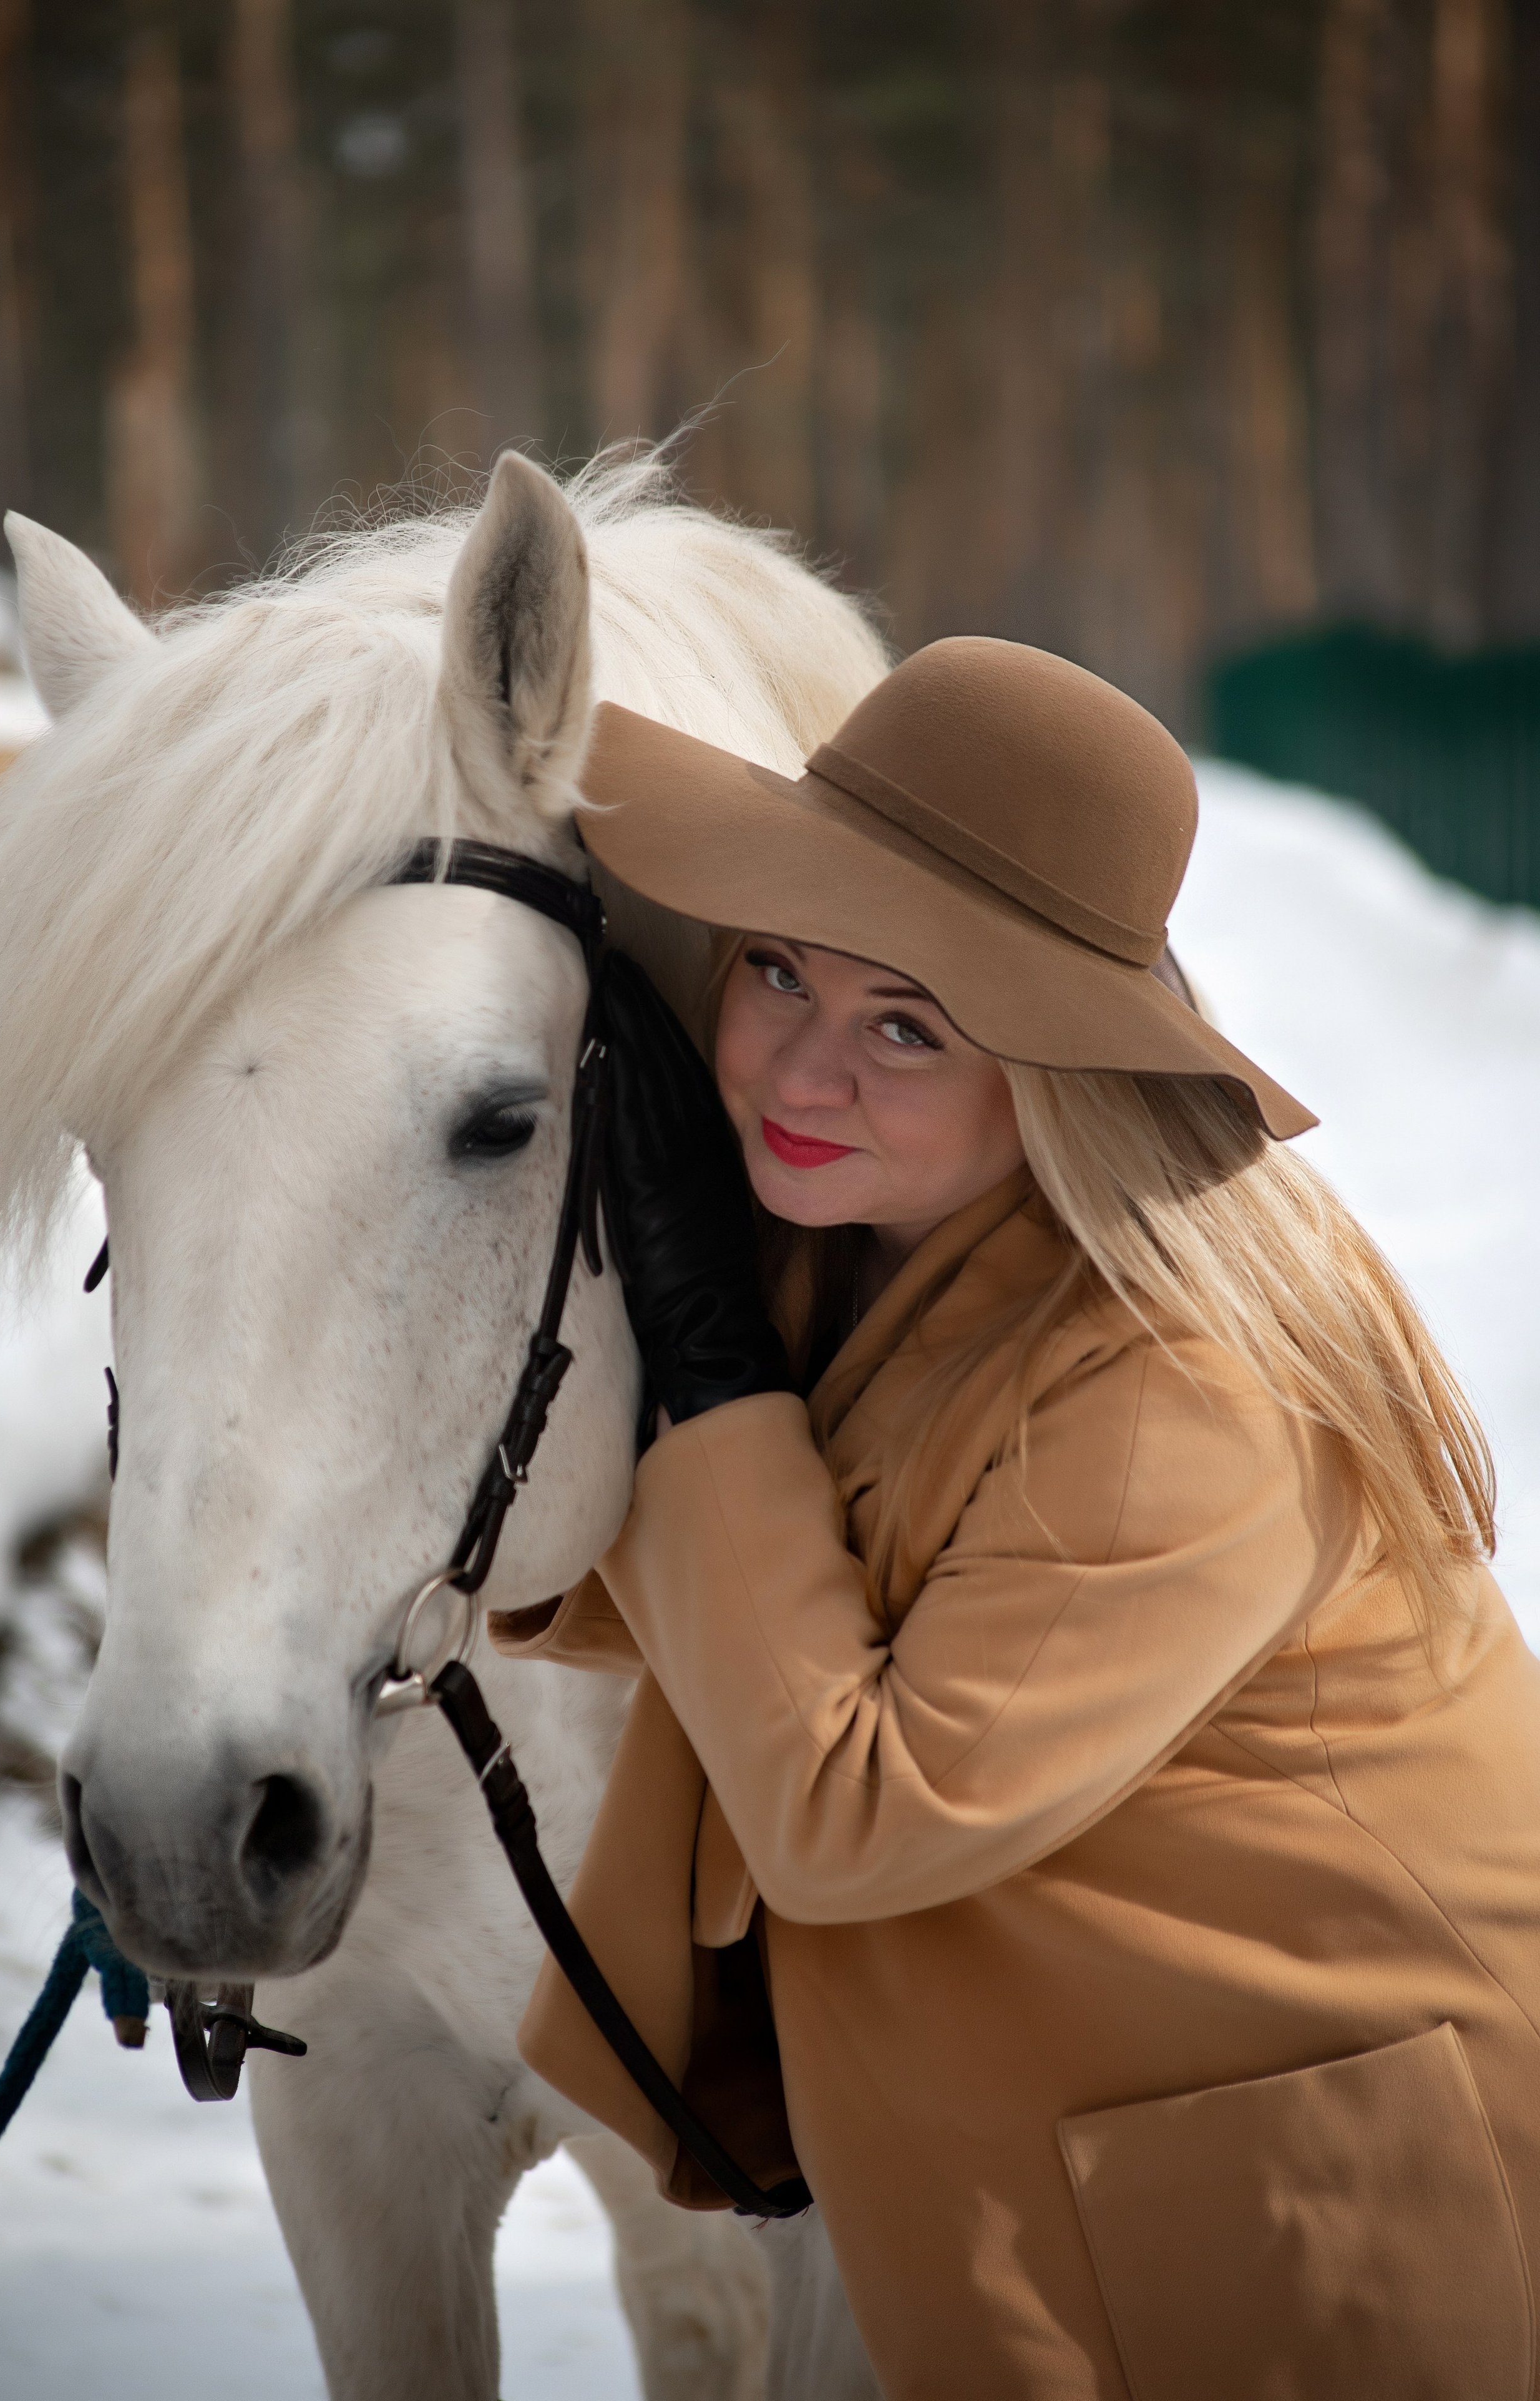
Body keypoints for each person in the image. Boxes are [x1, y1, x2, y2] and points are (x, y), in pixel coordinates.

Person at [489, 637, 1540, 2400]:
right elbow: (797, 1584)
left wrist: (713, 1372)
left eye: (907, 1024)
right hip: (1083, 2160)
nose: (802, 1074)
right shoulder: (892, 1243)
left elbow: (852, 1806)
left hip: (1303, 2226)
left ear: (1058, 1071)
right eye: (778, 974)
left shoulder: (1181, 1384)